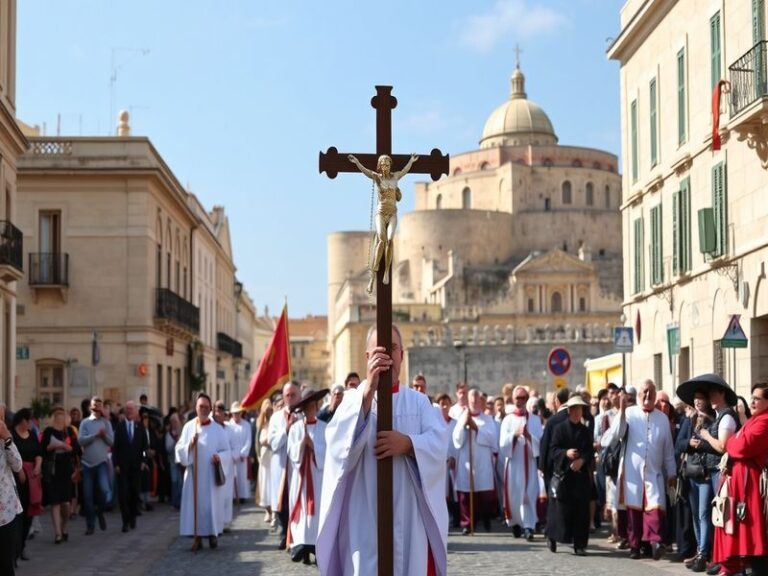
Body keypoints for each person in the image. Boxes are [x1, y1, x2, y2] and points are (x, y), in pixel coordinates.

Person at [317, 325, 449, 576]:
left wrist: (409, 444)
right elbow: (337, 449)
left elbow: (439, 444)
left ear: (402, 355)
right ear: (367, 358)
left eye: (393, 349)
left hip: (409, 519)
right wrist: (367, 395)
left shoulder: (419, 402)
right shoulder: (353, 400)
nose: (387, 357)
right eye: (379, 351)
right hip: (364, 515)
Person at [604, 380, 676, 560]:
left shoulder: (662, 419)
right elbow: (617, 435)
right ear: (638, 395)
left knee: (655, 508)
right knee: (634, 512)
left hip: (654, 472)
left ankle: (657, 542)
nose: (647, 396)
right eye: (644, 392)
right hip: (632, 473)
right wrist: (621, 411)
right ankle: (635, 547)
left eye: (651, 392)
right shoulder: (629, 413)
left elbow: (668, 450)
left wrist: (672, 472)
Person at [712, 382, 768, 576]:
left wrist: (734, 443)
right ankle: (734, 566)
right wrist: (735, 442)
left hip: (749, 483)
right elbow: (734, 443)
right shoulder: (755, 419)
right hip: (738, 481)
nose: (752, 401)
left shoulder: (765, 420)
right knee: (733, 525)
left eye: (757, 398)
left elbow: (739, 447)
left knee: (747, 527)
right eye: (751, 397)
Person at [348, 153, 419, 292]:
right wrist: (357, 162)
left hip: (392, 213)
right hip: (380, 214)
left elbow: (405, 170)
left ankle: (386, 271)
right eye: (383, 164)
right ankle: (372, 278)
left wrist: (411, 161)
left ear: (390, 165)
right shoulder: (377, 177)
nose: (385, 166)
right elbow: (366, 172)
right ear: (379, 166)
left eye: (387, 164)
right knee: (381, 239)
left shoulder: (395, 177)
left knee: (390, 239)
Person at [176, 392, 230, 551]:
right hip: (194, 477)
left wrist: (219, 457)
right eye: (201, 406)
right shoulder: (189, 427)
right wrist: (189, 446)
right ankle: (197, 536)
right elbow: (179, 450)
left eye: (207, 407)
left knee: (210, 507)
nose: (204, 409)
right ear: (196, 407)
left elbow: (227, 452)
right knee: (195, 507)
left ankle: (212, 534)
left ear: (211, 409)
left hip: (210, 477)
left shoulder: (218, 430)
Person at [546, 395, 594, 555]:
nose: (579, 412)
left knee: (581, 512)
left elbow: (589, 451)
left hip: (580, 478)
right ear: (570, 411)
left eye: (581, 409)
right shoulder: (559, 429)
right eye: (576, 409)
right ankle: (552, 537)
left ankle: (579, 544)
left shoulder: (585, 431)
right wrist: (566, 453)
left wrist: (582, 460)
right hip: (564, 477)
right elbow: (553, 450)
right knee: (560, 512)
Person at [287, 388, 328, 564]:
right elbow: (291, 451)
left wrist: (314, 447)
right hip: (301, 478)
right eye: (307, 407)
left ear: (317, 407)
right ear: (303, 409)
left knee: (317, 508)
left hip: (317, 477)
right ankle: (302, 544)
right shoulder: (296, 428)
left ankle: (316, 546)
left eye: (313, 406)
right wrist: (301, 445)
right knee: (302, 509)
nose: (310, 409)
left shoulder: (324, 428)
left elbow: (328, 452)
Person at [453, 388, 498, 535]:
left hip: (482, 460)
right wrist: (464, 425)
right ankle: (467, 523)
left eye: (476, 400)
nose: (474, 403)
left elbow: (493, 440)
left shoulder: (488, 419)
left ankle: (485, 518)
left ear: (480, 401)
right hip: (467, 459)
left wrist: (476, 428)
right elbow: (456, 440)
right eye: (471, 400)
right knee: (466, 494)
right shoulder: (462, 417)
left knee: (484, 494)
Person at [500, 385, 543, 540]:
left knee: (529, 494)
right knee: (515, 494)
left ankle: (529, 526)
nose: (520, 401)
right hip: (514, 465)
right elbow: (502, 444)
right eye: (518, 398)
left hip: (530, 464)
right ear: (513, 399)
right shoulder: (508, 420)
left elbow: (541, 442)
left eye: (523, 398)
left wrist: (529, 436)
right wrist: (514, 435)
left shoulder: (535, 420)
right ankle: (515, 523)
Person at [268, 381, 301, 550]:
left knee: (296, 499)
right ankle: (284, 533)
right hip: (281, 465)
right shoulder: (275, 417)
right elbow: (272, 442)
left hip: (297, 467)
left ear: (299, 395)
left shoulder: (303, 415)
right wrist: (286, 430)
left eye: (293, 395)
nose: (290, 398)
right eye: (287, 395)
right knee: (281, 501)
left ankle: (296, 535)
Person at [41, 406, 80, 543]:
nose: (59, 417)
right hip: (53, 469)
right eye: (57, 415)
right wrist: (55, 446)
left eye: (62, 415)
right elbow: (43, 449)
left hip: (67, 470)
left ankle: (64, 527)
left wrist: (68, 448)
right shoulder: (49, 431)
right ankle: (57, 533)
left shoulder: (69, 431)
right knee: (55, 502)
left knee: (66, 504)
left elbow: (76, 449)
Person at [78, 397, 114, 535]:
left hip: (101, 463)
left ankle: (100, 511)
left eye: (99, 406)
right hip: (87, 464)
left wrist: (104, 435)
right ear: (90, 408)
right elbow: (80, 440)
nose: (97, 408)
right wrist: (94, 435)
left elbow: (111, 442)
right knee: (87, 497)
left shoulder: (106, 423)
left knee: (105, 490)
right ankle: (90, 525)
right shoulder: (85, 423)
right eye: (94, 406)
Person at [11, 408, 43, 561]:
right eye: (28, 420)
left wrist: (37, 466)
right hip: (16, 478)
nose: (30, 423)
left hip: (31, 478)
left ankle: (22, 546)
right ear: (22, 420)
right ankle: (14, 549)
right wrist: (19, 470)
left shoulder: (32, 435)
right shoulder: (11, 434)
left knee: (29, 512)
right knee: (18, 515)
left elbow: (39, 453)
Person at [112, 401, 148, 533]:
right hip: (122, 467)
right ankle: (125, 521)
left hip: (136, 466)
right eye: (127, 409)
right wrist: (115, 463)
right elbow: (115, 447)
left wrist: (144, 460)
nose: (129, 411)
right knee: (123, 494)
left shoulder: (140, 426)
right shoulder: (120, 426)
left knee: (134, 493)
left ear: (136, 411)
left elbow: (145, 447)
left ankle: (133, 516)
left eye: (131, 409)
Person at [1, 417, 22, 576]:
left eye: (2, 417)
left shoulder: (5, 441)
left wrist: (7, 439)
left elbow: (17, 465)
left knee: (5, 563)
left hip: (6, 511)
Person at [227, 401, 252, 505]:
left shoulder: (246, 425)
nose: (236, 415)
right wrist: (231, 454)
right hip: (232, 456)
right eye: (234, 413)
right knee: (232, 476)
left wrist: (243, 453)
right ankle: (233, 496)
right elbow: (226, 441)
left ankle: (242, 495)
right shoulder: (228, 425)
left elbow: (248, 440)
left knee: (242, 476)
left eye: (238, 413)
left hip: (242, 456)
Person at [256, 399, 273, 523]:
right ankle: (267, 510)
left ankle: (273, 511)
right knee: (264, 483)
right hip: (263, 457)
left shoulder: (275, 422)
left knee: (272, 483)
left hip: (272, 457)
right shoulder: (260, 423)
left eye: (270, 410)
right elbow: (257, 440)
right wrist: (257, 455)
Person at [165, 413, 182, 509]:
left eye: (176, 422)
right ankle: (175, 502)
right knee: (174, 482)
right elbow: (167, 448)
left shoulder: (182, 432)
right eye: (173, 422)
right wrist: (175, 442)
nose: (175, 424)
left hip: (181, 462)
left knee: (181, 482)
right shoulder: (169, 434)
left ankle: (180, 502)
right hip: (173, 461)